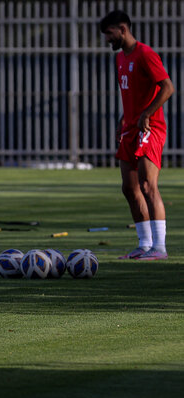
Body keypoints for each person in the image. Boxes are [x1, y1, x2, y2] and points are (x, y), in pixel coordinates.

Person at [100, 10, 174, 261]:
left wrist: (146, 114)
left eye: (110, 34)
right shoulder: (121, 58)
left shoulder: (145, 54)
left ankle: (160, 248)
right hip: (131, 128)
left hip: (149, 128)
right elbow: (132, 94)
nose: (107, 39)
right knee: (129, 188)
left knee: (147, 185)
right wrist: (124, 119)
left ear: (123, 29)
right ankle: (144, 245)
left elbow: (167, 87)